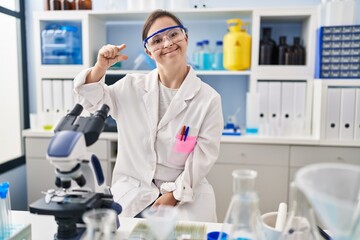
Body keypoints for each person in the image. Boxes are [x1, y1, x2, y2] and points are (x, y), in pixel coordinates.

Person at [73, 9, 224, 222]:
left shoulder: (208, 99)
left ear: (186, 38)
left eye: (173, 34)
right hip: (133, 195)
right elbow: (91, 100)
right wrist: (100, 67)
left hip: (184, 197)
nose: (167, 43)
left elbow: (202, 159)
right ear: (148, 51)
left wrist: (173, 195)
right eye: (157, 40)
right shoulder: (130, 87)